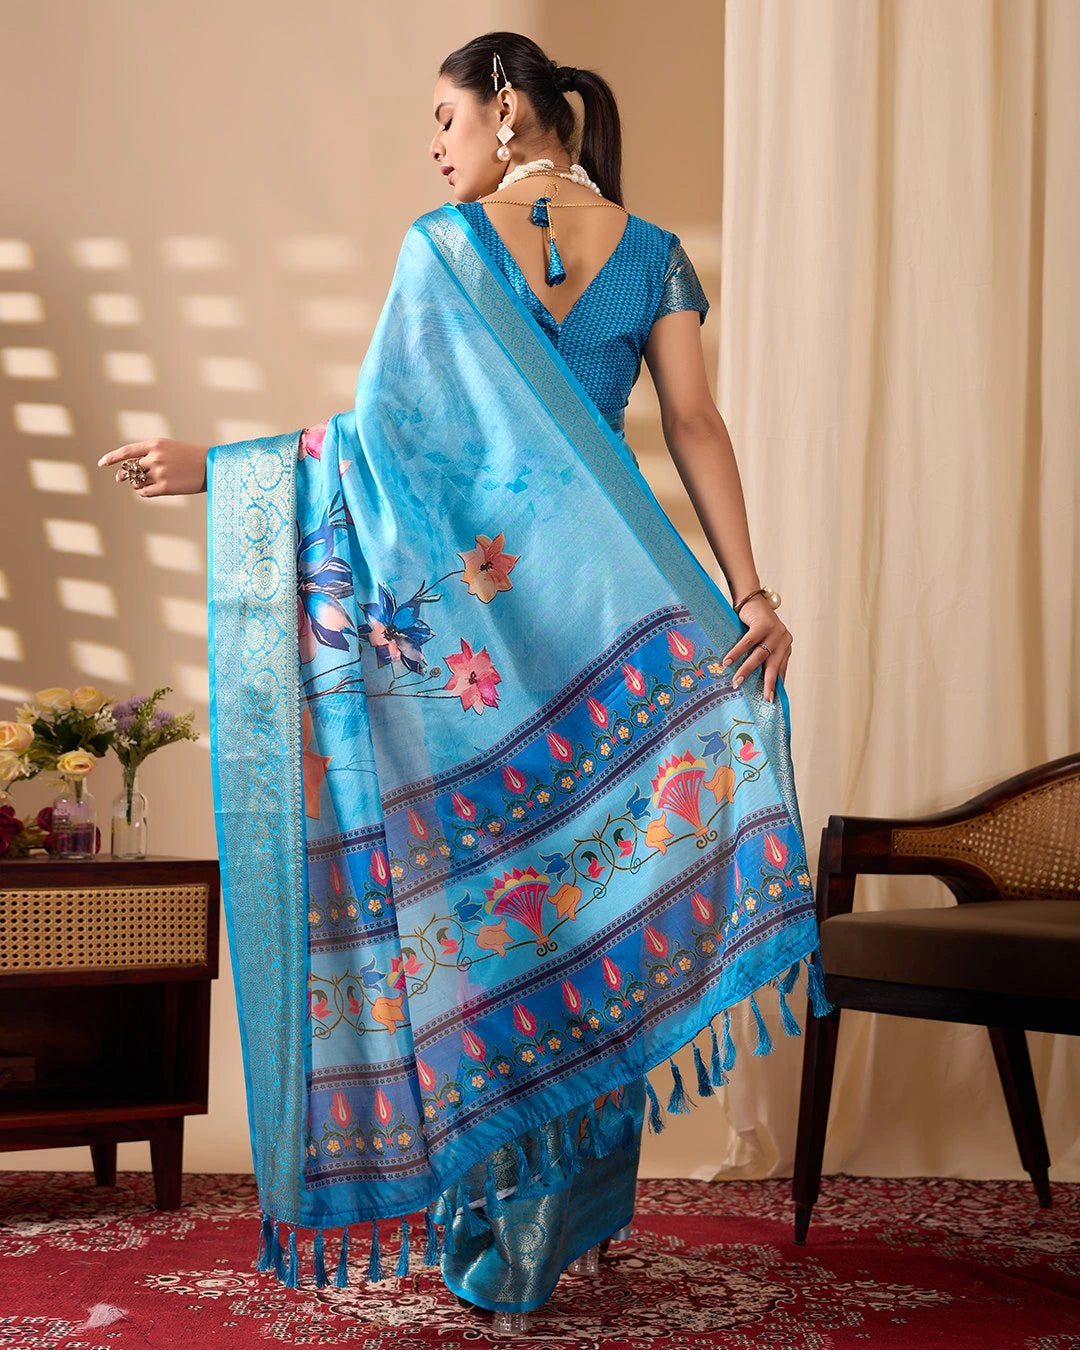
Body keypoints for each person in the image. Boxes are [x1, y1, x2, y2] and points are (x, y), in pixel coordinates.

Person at [98, 30, 829, 1336]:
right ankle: (564, 1213)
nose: (434, 150)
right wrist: (753, 599)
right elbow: (696, 428)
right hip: (613, 628)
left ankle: (510, 1221)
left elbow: (378, 451)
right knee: (598, 898)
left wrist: (216, 466)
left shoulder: (443, 252)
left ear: (506, 107)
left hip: (475, 646)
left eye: (441, 120)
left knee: (506, 905)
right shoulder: (653, 251)